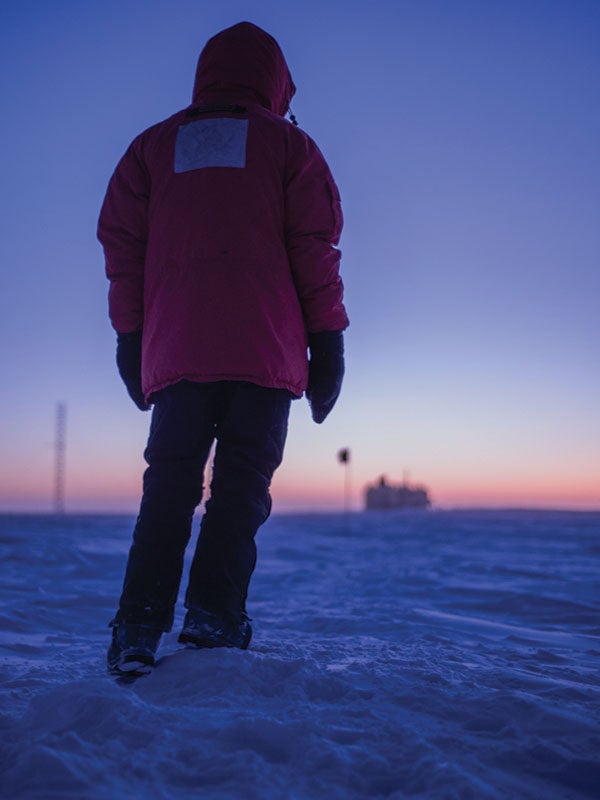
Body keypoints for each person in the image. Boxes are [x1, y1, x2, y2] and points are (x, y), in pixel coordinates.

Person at [98, 21, 349, 675]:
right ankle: (213, 618)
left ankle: (138, 628)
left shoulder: (152, 149)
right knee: (241, 489)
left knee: (168, 486)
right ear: (275, 82)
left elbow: (124, 253)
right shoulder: (288, 146)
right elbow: (314, 252)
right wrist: (328, 342)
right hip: (265, 351)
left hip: (178, 350)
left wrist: (130, 336)